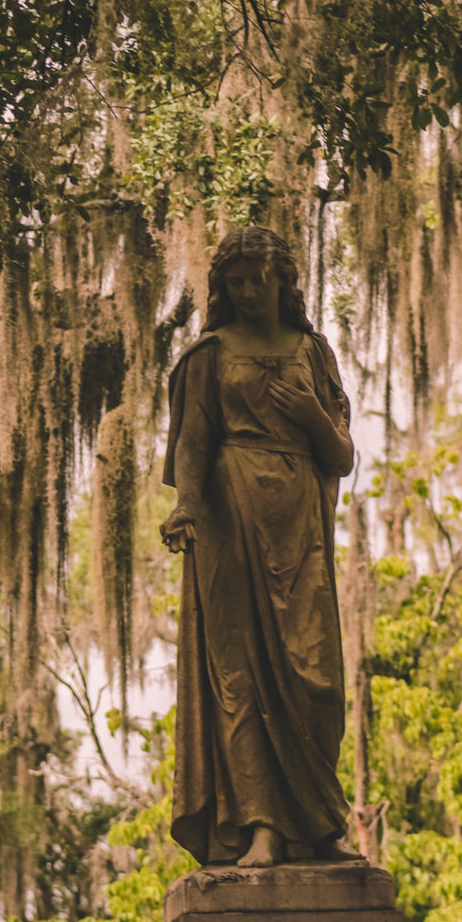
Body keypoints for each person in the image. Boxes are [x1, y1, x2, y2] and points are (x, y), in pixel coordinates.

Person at [160, 225, 359, 868]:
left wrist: (310, 415)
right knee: (237, 674)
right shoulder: (207, 357)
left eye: (258, 278)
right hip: (229, 515)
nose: (248, 291)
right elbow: (191, 442)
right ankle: (262, 826)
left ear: (283, 280)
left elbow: (343, 456)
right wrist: (186, 503)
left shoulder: (313, 354)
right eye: (235, 281)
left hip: (298, 521)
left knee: (316, 674)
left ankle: (321, 823)